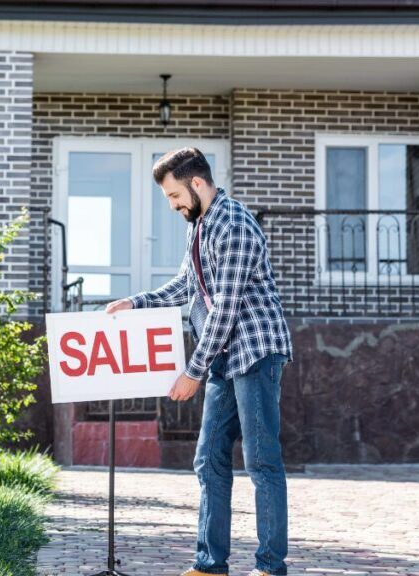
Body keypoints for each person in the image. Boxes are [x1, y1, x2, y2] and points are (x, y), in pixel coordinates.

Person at [104, 147, 293, 576]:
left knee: (261, 460)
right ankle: (210, 566)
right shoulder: (200, 225)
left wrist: (193, 371)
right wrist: (138, 302)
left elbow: (225, 307)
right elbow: (186, 286)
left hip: (256, 351)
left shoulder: (235, 225)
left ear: (197, 183)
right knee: (208, 457)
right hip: (225, 355)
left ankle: (269, 568)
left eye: (174, 196)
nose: (172, 206)